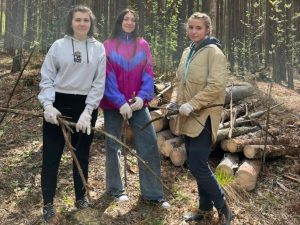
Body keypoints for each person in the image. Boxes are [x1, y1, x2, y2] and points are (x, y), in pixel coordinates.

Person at [38, 5, 106, 222]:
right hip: (59, 103)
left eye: (86, 20)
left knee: (82, 154)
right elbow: (47, 77)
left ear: (91, 23)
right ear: (71, 22)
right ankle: (48, 203)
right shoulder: (58, 46)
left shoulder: (98, 48)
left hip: (84, 106)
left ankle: (80, 198)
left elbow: (99, 81)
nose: (82, 24)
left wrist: (89, 110)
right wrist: (47, 104)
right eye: (78, 20)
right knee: (51, 155)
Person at [99, 8, 170, 209]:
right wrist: (119, 102)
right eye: (125, 19)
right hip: (113, 105)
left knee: (148, 143)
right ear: (119, 21)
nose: (129, 22)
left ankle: (153, 193)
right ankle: (115, 189)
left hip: (138, 103)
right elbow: (107, 75)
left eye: (133, 20)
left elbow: (148, 72)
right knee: (113, 146)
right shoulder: (108, 45)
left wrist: (142, 96)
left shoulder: (142, 45)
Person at [167, 12, 233, 224]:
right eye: (191, 27)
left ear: (208, 30)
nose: (194, 31)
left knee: (197, 165)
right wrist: (175, 103)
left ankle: (224, 208)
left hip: (204, 116)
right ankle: (205, 210)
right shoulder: (188, 51)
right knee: (198, 164)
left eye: (199, 28)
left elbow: (216, 86)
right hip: (187, 114)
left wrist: (193, 104)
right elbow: (180, 82)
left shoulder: (214, 52)